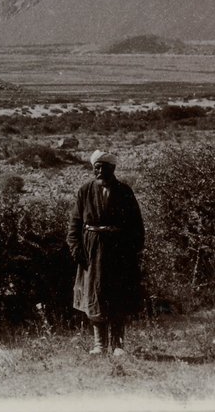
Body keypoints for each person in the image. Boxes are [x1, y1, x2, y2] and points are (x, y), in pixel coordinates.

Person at [66, 149, 144, 356]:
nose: (99, 170)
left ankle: (118, 345)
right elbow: (74, 225)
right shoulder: (85, 191)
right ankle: (99, 345)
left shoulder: (125, 191)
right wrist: (76, 250)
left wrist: (132, 251)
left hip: (120, 252)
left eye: (103, 167)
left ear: (113, 168)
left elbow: (137, 225)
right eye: (96, 167)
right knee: (94, 295)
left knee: (118, 295)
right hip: (92, 252)